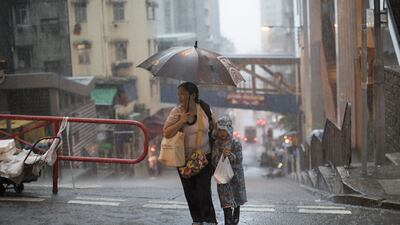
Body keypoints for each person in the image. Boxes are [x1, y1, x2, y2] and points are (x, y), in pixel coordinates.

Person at [163, 82, 217, 225]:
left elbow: (213, 124)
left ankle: (209, 220)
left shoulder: (204, 107)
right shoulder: (176, 112)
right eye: (178, 93)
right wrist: (181, 121)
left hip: (204, 157)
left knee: (203, 190)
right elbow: (167, 133)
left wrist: (213, 123)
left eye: (182, 93)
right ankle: (197, 220)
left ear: (192, 95)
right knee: (190, 191)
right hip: (184, 159)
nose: (179, 96)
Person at [212, 116, 247, 225]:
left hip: (235, 176)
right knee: (225, 198)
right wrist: (221, 156)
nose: (222, 133)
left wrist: (230, 156)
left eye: (224, 130)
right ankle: (228, 218)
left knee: (236, 196)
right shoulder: (217, 144)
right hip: (222, 175)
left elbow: (239, 159)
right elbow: (213, 159)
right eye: (220, 130)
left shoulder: (235, 143)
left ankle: (236, 212)